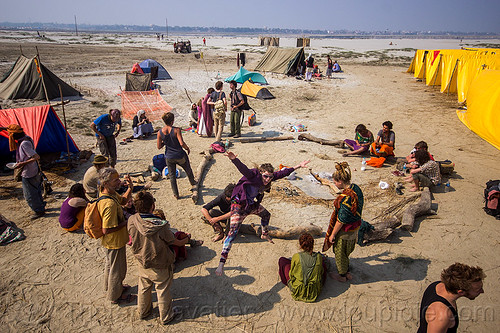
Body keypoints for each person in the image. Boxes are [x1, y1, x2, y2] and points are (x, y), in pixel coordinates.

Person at [216, 152, 310, 276]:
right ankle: (221, 264)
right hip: (238, 206)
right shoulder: (253, 175)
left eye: (270, 177)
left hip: (250, 205)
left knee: (266, 215)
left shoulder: (269, 178)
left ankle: (264, 234)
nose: (267, 180)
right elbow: (243, 169)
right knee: (232, 234)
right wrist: (234, 159)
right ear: (261, 173)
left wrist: (298, 166)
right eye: (265, 176)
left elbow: (283, 173)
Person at [128, 191, 185, 324]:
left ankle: (143, 312)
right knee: (162, 289)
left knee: (144, 287)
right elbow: (171, 240)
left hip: (142, 260)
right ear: (152, 206)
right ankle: (166, 316)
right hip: (159, 262)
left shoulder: (132, 219)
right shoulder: (160, 225)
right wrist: (184, 241)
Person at [97, 167, 134, 304]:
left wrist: (130, 188)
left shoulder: (109, 193)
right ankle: (116, 296)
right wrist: (126, 222)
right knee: (117, 269)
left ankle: (112, 288)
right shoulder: (109, 204)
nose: (119, 182)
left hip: (110, 242)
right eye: (115, 180)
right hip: (114, 242)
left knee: (110, 266)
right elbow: (106, 229)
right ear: (106, 183)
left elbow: (123, 201)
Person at [322, 162, 363, 282]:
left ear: (340, 181)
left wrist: (332, 235)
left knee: (340, 253)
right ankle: (347, 272)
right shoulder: (356, 188)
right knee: (346, 252)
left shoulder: (345, 199)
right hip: (355, 228)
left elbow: (341, 220)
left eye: (335, 181)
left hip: (345, 232)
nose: (334, 184)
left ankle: (342, 276)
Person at [418, 263, 485, 333]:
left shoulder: (437, 285)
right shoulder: (442, 316)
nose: (482, 291)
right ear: (461, 292)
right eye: (478, 290)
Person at [6, 124, 46, 219]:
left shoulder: (24, 144)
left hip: (29, 172)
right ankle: (41, 206)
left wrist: (22, 164)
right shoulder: (27, 138)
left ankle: (38, 210)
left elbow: (36, 157)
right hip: (34, 170)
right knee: (36, 190)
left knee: (29, 194)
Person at [157, 112, 197, 199]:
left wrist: (165, 141)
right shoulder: (176, 130)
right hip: (179, 155)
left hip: (169, 156)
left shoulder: (160, 132)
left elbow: (159, 146)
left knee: (172, 176)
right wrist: (187, 148)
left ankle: (176, 194)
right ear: (172, 121)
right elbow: (181, 143)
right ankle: (193, 183)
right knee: (187, 169)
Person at [278, 233, 326, 302]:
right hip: (314, 291)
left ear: (301, 246)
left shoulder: (296, 256)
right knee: (323, 265)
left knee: (282, 261)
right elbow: (321, 272)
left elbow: (292, 274)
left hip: (298, 289)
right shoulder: (318, 257)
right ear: (312, 245)